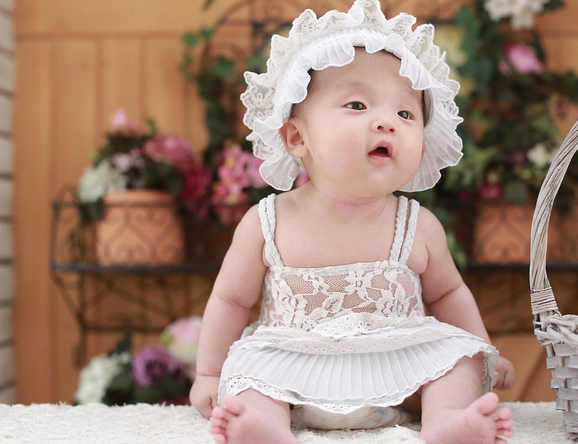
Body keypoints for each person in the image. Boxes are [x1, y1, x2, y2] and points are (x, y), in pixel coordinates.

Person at [190, 1, 516, 443]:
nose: (387, 123)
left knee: (458, 362)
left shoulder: (417, 225)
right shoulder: (267, 222)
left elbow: (449, 294)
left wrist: (483, 349)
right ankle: (265, 427)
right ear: (297, 136)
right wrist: (210, 374)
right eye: (358, 104)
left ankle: (446, 422)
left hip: (397, 372)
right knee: (249, 373)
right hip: (293, 371)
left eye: (405, 114)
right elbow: (230, 300)